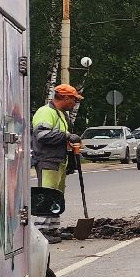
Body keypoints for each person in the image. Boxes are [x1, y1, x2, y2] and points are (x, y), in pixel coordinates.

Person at [31, 84, 82, 241]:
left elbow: (59, 137)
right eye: (74, 100)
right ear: (66, 98)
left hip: (58, 160)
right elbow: (42, 135)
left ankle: (53, 229)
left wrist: (71, 144)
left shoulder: (60, 114)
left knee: (56, 196)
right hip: (47, 159)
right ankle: (41, 231)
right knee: (47, 194)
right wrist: (66, 136)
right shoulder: (46, 112)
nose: (75, 103)